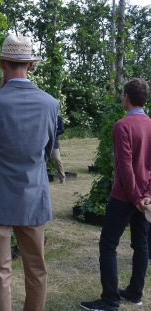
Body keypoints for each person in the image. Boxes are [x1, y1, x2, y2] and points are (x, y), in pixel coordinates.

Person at [0, 35, 59, 311]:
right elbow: (48, 149)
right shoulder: (50, 103)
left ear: (3, 64)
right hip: (33, 195)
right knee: (36, 268)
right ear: (30, 65)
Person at [80, 78, 151, 311]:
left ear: (127, 98)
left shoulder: (123, 126)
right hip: (144, 198)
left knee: (108, 245)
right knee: (141, 245)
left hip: (124, 196)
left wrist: (134, 197)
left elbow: (125, 165)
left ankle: (110, 299)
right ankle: (134, 293)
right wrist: (147, 195)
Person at [51, 114, 66, 183]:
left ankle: (62, 178)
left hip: (54, 142)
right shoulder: (44, 115)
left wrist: (53, 133)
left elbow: (62, 130)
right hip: (43, 141)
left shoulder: (58, 118)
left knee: (57, 159)